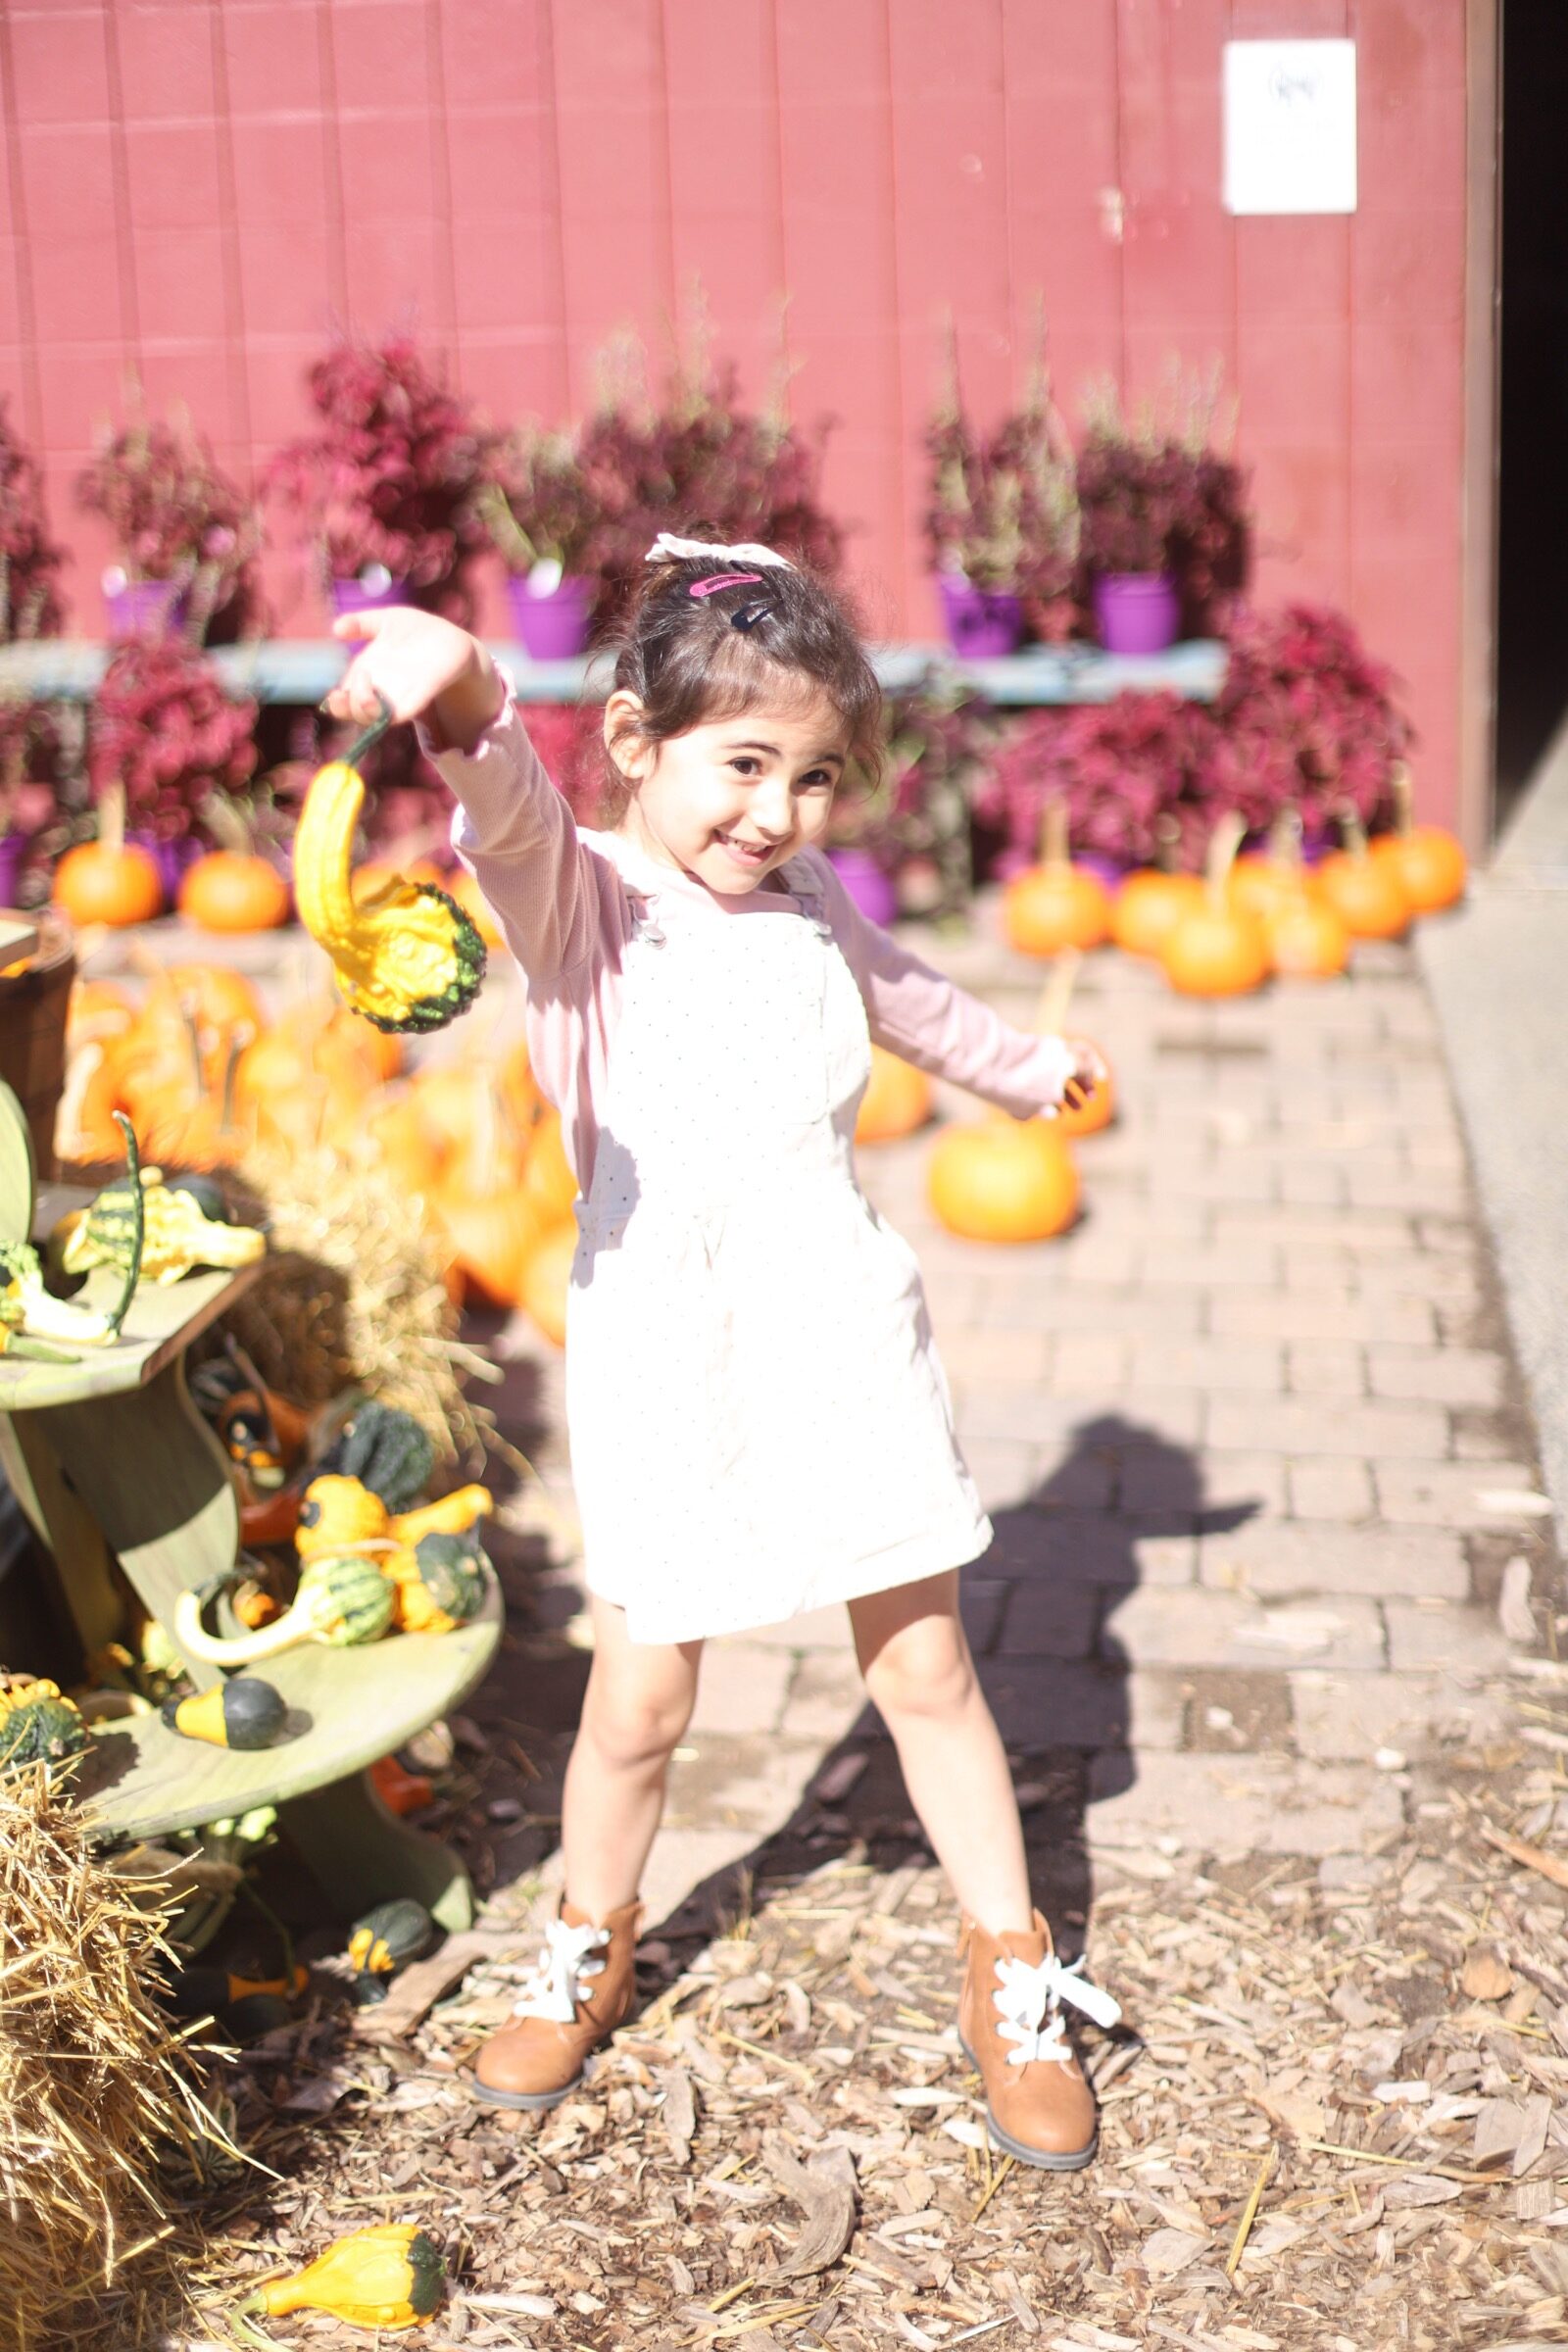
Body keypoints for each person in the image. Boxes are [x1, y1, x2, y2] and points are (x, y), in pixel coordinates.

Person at [321, 531, 1121, 2170]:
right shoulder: (583, 908)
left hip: (834, 1313)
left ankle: (1010, 1963)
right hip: (667, 1344)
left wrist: (1029, 1070)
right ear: (636, 744)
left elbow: (909, 1000)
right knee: (640, 1699)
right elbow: (504, 799)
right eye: (743, 764)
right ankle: (587, 1938)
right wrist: (460, 681)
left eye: (817, 774)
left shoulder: (812, 895)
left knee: (925, 1664)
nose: (778, 810)